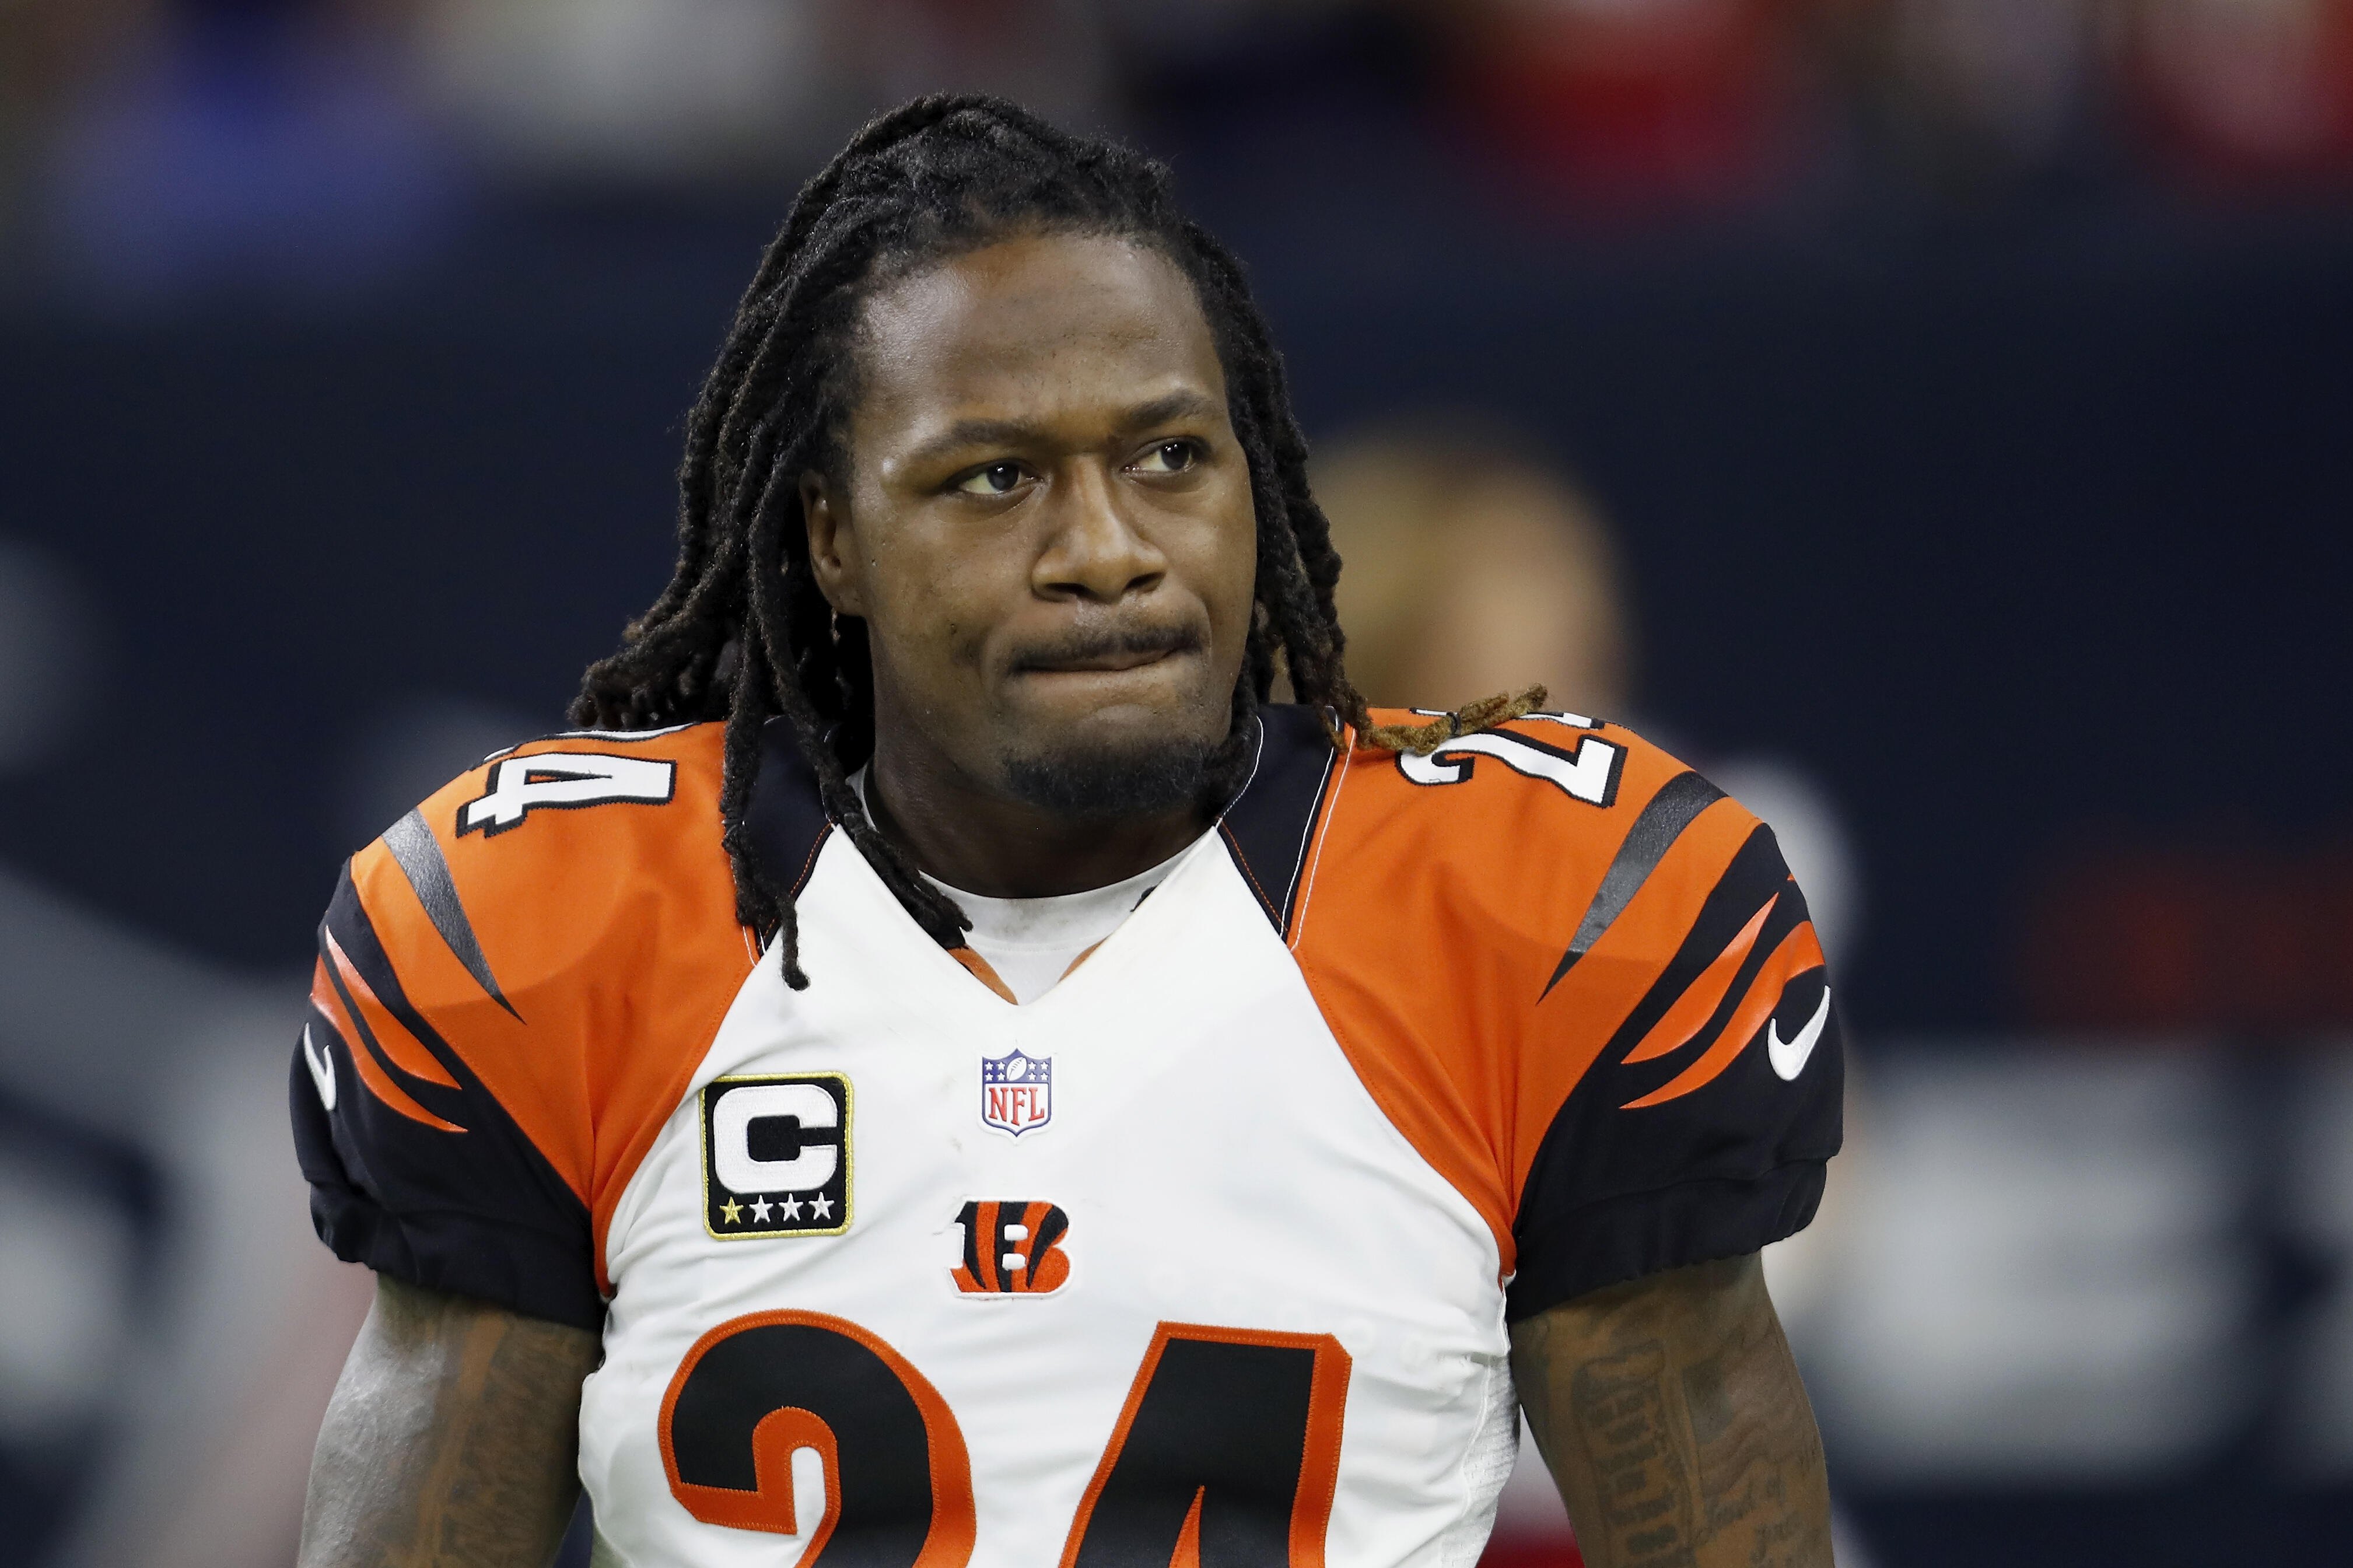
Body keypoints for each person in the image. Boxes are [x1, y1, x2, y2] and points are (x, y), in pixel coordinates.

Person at [290, 96, 1843, 1568]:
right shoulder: (559, 923)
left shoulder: (1529, 910)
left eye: (1168, 458)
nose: (1104, 551)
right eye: (994, 479)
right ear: (830, 538)